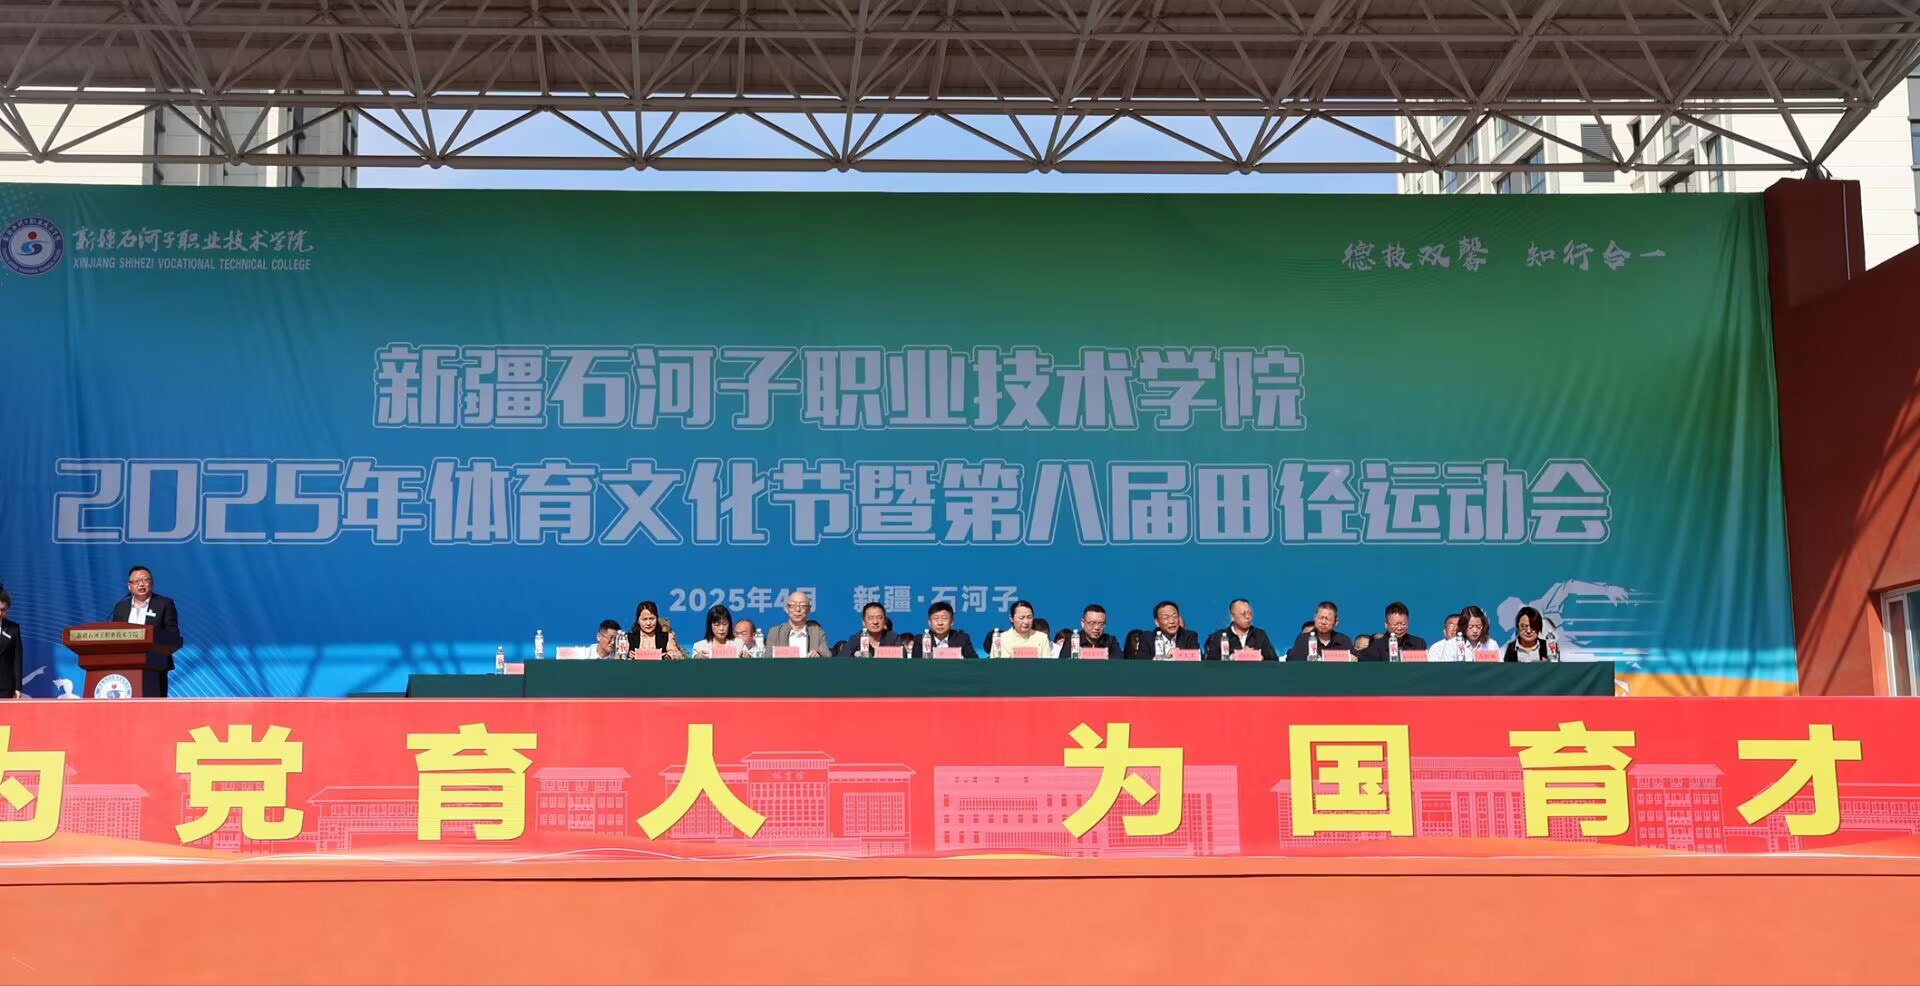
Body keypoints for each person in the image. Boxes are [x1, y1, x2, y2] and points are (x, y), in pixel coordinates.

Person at [110, 565, 183, 696]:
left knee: (155, 703)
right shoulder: (121, 607)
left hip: (155, 665)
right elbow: (113, 635)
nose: (141, 584)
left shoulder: (164, 604)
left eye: (145, 580)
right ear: (129, 586)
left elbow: (173, 635)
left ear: (152, 583)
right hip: (124, 664)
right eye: (136, 581)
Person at [1203, 599, 1281, 661]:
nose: (1248, 617)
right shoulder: (1219, 636)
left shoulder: (1260, 635)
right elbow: (1210, 663)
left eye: (1250, 613)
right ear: (1232, 616)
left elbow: (1273, 660)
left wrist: (1257, 656)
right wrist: (1232, 657)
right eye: (1243, 614)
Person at [1352, 602, 1430, 662]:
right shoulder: (1377, 646)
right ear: (1386, 624)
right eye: (1395, 624)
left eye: (1403, 624)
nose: (1399, 628)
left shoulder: (1418, 643)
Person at [765, 590, 831, 657]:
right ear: (787, 609)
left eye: (802, 605)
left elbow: (827, 656)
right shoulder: (775, 633)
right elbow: (767, 658)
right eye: (793, 605)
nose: (798, 609)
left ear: (809, 609)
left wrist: (819, 655)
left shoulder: (817, 633)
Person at [1130, 600, 1200, 660]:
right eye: (1166, 617)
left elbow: (1198, 657)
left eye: (1174, 616)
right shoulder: (1147, 637)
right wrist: (1163, 658)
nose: (1172, 621)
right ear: (1157, 622)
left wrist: (1179, 654)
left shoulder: (1189, 636)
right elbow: (1141, 659)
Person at [1285, 601, 1352, 661]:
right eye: (1320, 618)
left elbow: (1356, 660)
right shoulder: (1303, 639)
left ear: (1336, 622)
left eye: (1328, 619)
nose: (1323, 622)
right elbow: (1292, 660)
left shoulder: (1343, 641)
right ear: (1315, 617)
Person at [1431, 605, 1499, 661]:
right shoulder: (1451, 645)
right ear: (1463, 626)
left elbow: (1499, 669)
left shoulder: (1492, 644)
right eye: (1470, 627)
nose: (1475, 630)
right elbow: (1446, 669)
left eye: (1478, 626)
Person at [914, 601, 979, 659]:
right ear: (929, 622)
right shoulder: (920, 641)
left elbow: (975, 663)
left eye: (944, 618)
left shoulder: (961, 639)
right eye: (936, 618)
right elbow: (915, 665)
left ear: (952, 622)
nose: (940, 623)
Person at [1055, 604, 1120, 659]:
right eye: (1092, 623)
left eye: (1101, 624)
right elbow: (1064, 663)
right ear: (1082, 623)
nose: (1097, 628)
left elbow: (1118, 663)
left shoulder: (1110, 641)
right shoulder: (1072, 639)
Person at [0, 591, 21, 698]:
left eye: (3, 610)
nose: (0, 613)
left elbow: (17, 659)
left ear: (7, 609)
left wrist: (18, 687)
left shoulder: (13, 628)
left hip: (5, 686)